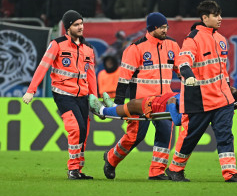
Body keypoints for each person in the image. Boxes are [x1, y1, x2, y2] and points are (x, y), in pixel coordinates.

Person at [165, 0, 237, 183]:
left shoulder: (221, 39)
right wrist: (187, 75)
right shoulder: (192, 38)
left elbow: (222, 71)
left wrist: (230, 89)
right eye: (216, 15)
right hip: (199, 98)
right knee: (190, 137)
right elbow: (182, 60)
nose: (220, 18)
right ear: (205, 17)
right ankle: (174, 169)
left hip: (222, 99)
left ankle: (230, 173)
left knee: (225, 135)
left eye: (220, 14)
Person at [102, 12, 181, 181]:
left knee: (165, 133)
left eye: (167, 26)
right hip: (140, 102)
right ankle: (111, 159)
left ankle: (157, 172)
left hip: (164, 101)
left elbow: (181, 70)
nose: (165, 30)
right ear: (152, 28)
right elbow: (123, 79)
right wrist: (118, 106)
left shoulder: (173, 45)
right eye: (162, 27)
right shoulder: (135, 48)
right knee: (134, 137)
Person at [22, 10, 97, 180]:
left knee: (84, 131)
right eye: (76, 24)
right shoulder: (57, 44)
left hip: (83, 96)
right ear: (68, 27)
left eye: (81, 23)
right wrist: (31, 90)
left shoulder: (88, 49)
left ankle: (78, 169)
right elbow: (43, 66)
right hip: (63, 94)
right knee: (75, 128)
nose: (81, 27)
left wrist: (94, 98)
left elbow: (90, 75)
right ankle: (72, 170)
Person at [89, 92, 182, 126]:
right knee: (134, 102)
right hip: (165, 98)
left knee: (133, 105)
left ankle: (102, 111)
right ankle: (114, 107)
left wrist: (172, 104)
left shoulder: (194, 107)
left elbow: (178, 120)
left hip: (161, 105)